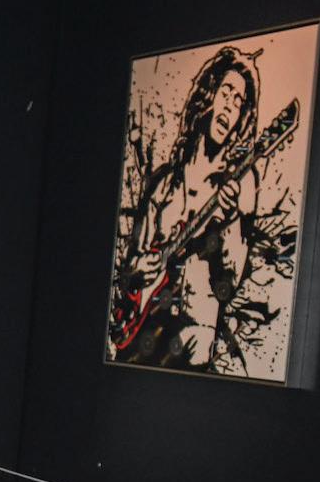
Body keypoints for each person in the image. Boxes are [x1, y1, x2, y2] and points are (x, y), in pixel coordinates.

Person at [112, 46, 266, 371]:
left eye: (239, 101)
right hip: (141, 335)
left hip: (191, 342)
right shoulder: (165, 182)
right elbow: (128, 264)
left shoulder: (239, 183)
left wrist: (229, 224)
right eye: (227, 91)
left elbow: (229, 283)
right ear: (209, 95)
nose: (231, 105)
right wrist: (140, 269)